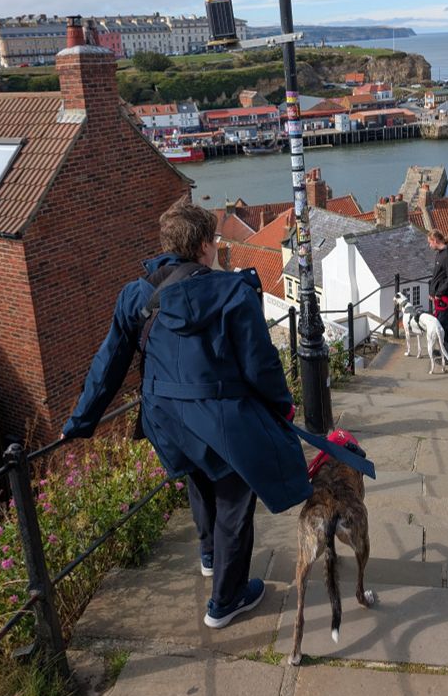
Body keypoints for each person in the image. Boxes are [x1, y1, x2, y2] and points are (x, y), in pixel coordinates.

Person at [61, 199, 312, 629]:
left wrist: (80, 421)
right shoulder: (232, 292)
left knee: (199, 474)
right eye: (212, 240)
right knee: (234, 497)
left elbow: (109, 362)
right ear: (204, 246)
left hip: (164, 419)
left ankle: (210, 556)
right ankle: (226, 601)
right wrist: (282, 406)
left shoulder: (137, 295)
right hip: (218, 415)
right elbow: (260, 365)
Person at [428, 229, 448, 361]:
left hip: (444, 296)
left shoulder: (446, 256)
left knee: (442, 323)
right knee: (446, 321)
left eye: (430, 242)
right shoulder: (440, 254)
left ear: (435, 241)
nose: (429, 245)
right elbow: (438, 276)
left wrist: (439, 293)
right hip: (439, 295)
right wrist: (432, 292)